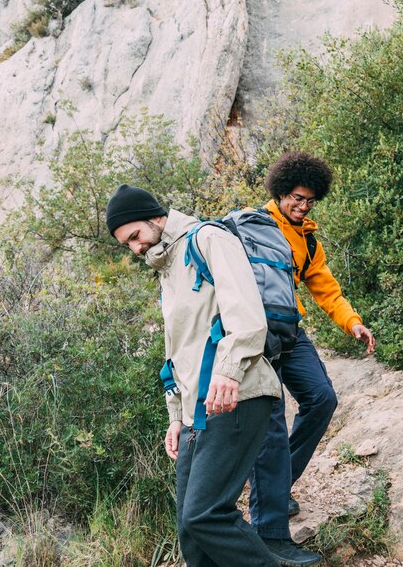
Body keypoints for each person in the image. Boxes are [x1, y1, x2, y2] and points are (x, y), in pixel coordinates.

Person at [106, 184, 282, 567]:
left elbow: (248, 315)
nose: (135, 248)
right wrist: (175, 417)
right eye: (127, 244)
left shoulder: (209, 240)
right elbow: (178, 354)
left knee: (206, 515)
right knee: (192, 535)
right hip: (194, 411)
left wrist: (230, 370)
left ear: (154, 216)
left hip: (238, 395)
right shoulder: (166, 270)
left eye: (134, 235)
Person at [249, 152, 376, 566]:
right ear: (280, 192)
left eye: (309, 201)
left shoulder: (308, 238)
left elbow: (325, 288)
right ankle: (268, 530)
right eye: (296, 199)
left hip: (290, 334)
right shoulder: (253, 226)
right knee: (270, 421)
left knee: (323, 399)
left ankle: (277, 485)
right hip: (254, 335)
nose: (303, 207)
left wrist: (352, 323)